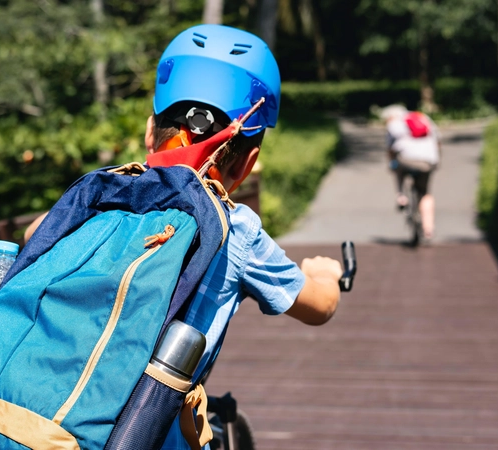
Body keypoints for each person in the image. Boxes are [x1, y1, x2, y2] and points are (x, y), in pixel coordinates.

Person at [25, 24, 343, 450]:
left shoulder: (104, 194)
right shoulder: (238, 232)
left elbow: (34, 234)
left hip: (33, 421)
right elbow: (319, 307)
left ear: (148, 132)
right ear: (248, 162)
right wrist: (326, 276)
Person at [380, 104, 441, 240]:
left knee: (397, 168)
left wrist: (391, 163)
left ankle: (401, 196)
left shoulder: (394, 124)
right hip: (428, 160)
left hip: (406, 159)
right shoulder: (423, 117)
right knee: (425, 193)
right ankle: (428, 228)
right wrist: (436, 160)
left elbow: (390, 149)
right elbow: (437, 140)